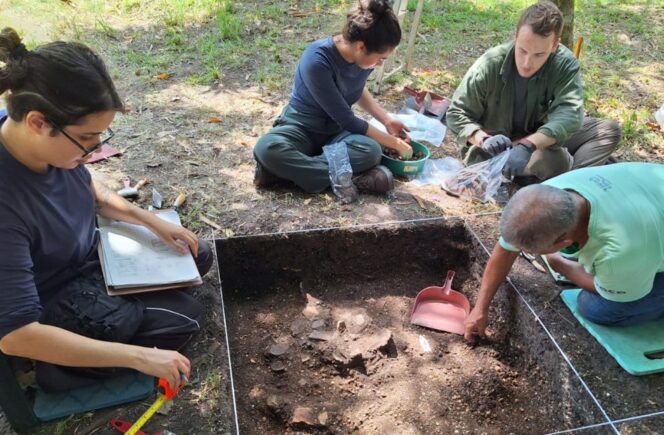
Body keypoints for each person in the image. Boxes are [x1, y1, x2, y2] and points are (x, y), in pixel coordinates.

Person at [0, 28, 212, 392]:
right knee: (185, 317)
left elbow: (89, 189)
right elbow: (15, 335)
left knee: (197, 254)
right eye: (86, 140)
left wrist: (152, 222)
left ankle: (120, 321)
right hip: (53, 297)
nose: (94, 151)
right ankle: (56, 369)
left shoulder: (48, 148)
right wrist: (139, 357)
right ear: (37, 122)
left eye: (101, 139)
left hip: (89, 256)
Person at [464, 162, 664, 341]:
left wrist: (560, 265)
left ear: (562, 241)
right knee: (596, 270)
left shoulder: (620, 247)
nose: (526, 252)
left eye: (536, 250)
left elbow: (604, 290)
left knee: (598, 308)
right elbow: (506, 247)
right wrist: (480, 307)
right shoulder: (548, 198)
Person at [253, 0, 413, 203]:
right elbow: (348, 119)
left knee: (371, 151)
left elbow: (357, 88)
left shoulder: (363, 59)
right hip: (302, 126)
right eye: (381, 58)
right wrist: (395, 143)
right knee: (267, 149)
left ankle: (283, 174)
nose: (381, 63)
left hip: (336, 133)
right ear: (361, 46)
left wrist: (386, 120)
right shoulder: (317, 59)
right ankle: (351, 177)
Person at [446, 1, 621, 184]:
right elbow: (456, 113)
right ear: (515, 36)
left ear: (555, 46)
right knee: (554, 160)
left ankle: (572, 186)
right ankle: (564, 177)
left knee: (607, 131)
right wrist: (483, 139)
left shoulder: (564, 64)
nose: (527, 63)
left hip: (538, 138)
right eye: (522, 51)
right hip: (498, 150)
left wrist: (528, 145)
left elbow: (570, 115)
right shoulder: (491, 63)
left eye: (539, 55)